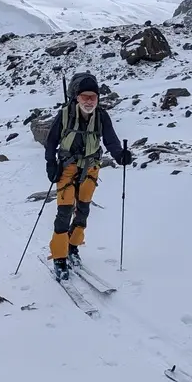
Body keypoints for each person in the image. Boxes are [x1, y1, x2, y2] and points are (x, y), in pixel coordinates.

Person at [43, 73, 132, 280]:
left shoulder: (101, 116)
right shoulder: (65, 114)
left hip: (91, 168)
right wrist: (51, 165)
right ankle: (59, 257)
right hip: (67, 168)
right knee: (64, 212)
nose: (89, 101)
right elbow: (51, 142)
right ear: (77, 97)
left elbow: (111, 141)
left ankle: (73, 247)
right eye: (85, 97)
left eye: (93, 97)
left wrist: (120, 155)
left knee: (82, 211)